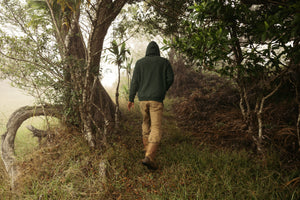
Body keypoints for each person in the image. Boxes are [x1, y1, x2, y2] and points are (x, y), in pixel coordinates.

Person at [127, 41, 174, 170]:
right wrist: (162, 89)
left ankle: (146, 150)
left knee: (145, 123)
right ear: (157, 51)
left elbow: (135, 82)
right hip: (156, 100)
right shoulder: (164, 62)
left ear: (147, 51)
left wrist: (131, 99)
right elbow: (170, 78)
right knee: (156, 127)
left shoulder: (140, 63)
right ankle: (149, 157)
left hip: (142, 100)